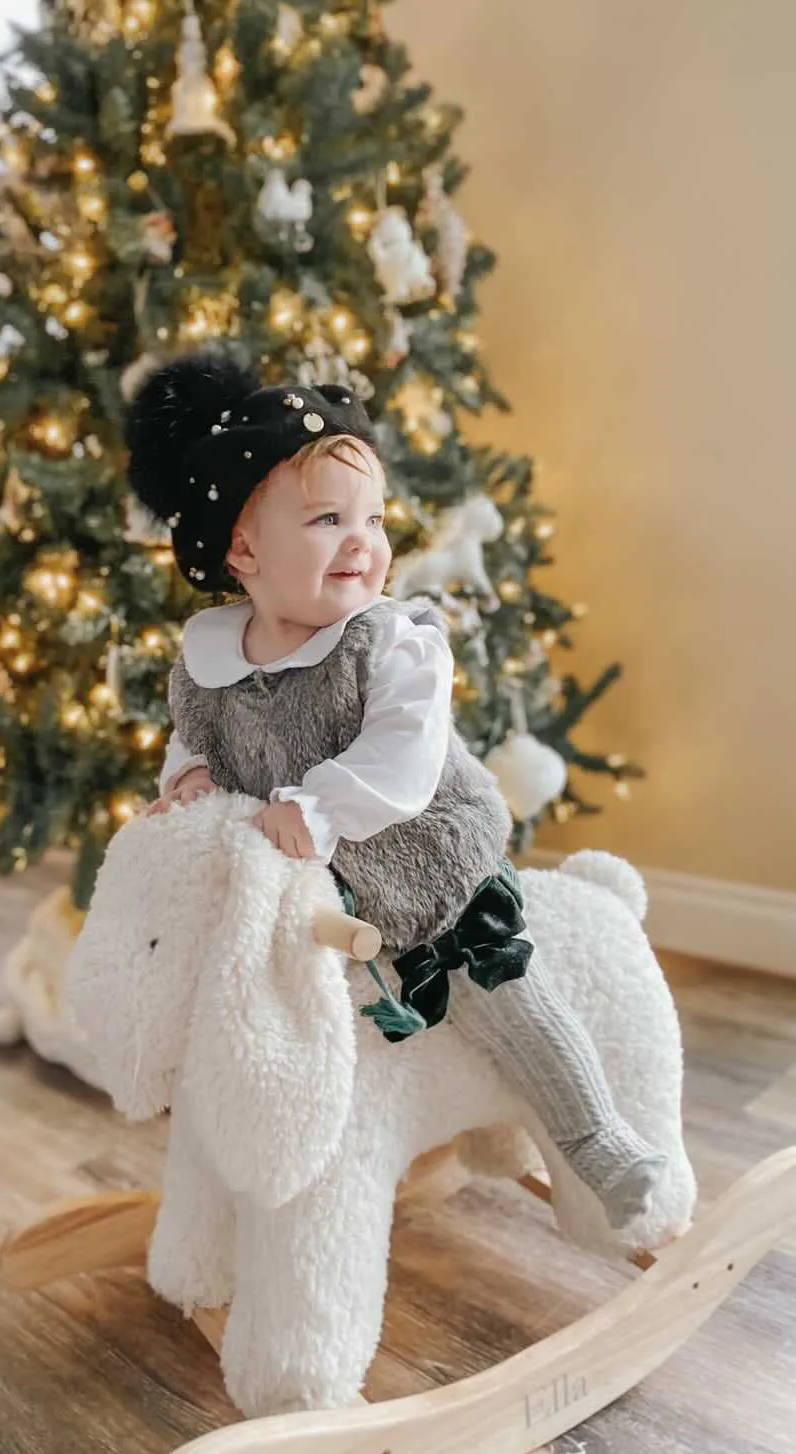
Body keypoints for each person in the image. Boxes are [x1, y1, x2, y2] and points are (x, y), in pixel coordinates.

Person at [125, 347, 665, 1230]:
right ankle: (260, 1182)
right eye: (329, 519)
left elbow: (406, 754)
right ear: (242, 549)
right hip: (315, 893)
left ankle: (598, 1138)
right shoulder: (212, 657)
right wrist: (185, 775)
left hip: (421, 861)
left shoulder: (394, 641)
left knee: (502, 996)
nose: (363, 543)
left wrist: (318, 807)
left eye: (373, 520)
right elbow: (197, 732)